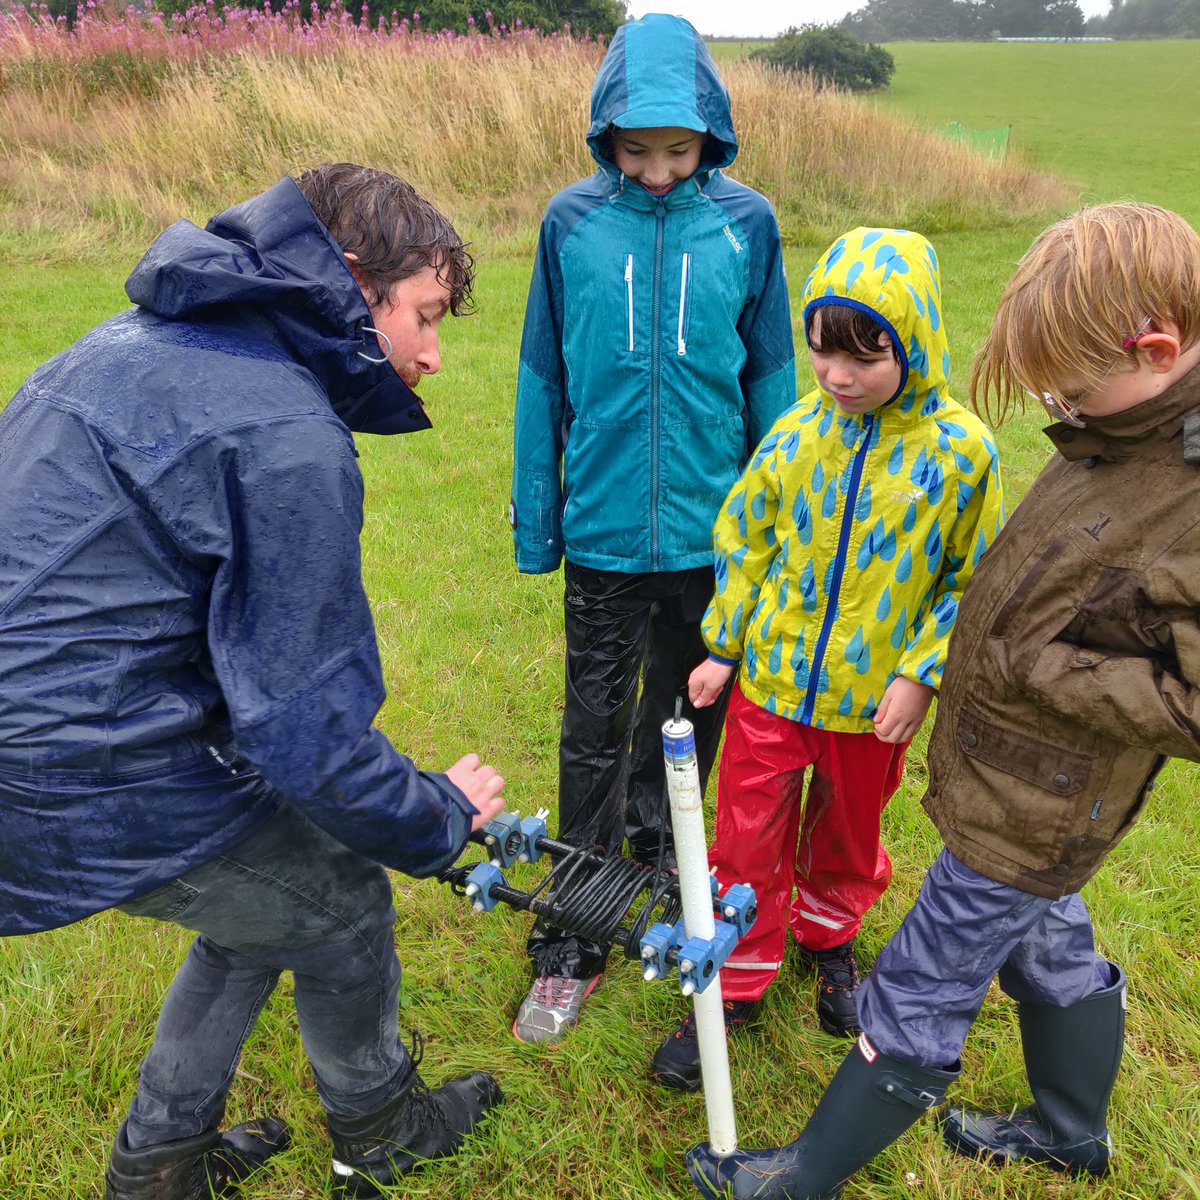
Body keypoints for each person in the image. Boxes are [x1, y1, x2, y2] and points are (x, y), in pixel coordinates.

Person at [0, 163, 507, 1200]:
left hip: (53, 740)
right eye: (422, 316)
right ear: (353, 282)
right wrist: (439, 817)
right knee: (337, 899)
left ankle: (156, 1173)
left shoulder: (120, 342)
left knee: (264, 896)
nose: (434, 354)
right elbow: (305, 736)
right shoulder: (285, 435)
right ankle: (381, 1129)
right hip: (69, 768)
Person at [685, 200, 1200, 1198]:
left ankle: (797, 1180)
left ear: (1155, 346)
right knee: (1048, 939)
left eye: (1071, 385)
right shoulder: (1133, 428)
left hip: (1036, 792)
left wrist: (1023, 664)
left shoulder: (1177, 475)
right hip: (1028, 789)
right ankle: (1069, 1132)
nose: (1060, 404)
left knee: (921, 986)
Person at [650, 226, 1005, 1092]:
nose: (838, 377)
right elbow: (748, 537)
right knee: (746, 831)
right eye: (821, 353)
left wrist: (921, 673)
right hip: (773, 683)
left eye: (863, 357)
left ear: (913, 341)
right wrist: (725, 648)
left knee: (849, 831)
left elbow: (974, 578)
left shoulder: (962, 454)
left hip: (871, 704)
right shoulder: (801, 432)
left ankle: (830, 936)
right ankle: (737, 976)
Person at [508, 11, 797, 1046]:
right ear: (604, 137)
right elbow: (543, 376)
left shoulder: (748, 225)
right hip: (603, 530)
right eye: (639, 151)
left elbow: (775, 387)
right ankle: (570, 932)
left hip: (715, 539)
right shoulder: (570, 225)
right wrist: (540, 522)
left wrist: (779, 536)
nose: (663, 172)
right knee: (593, 724)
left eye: (681, 150)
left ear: (712, 134)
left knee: (689, 715)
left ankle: (663, 850)